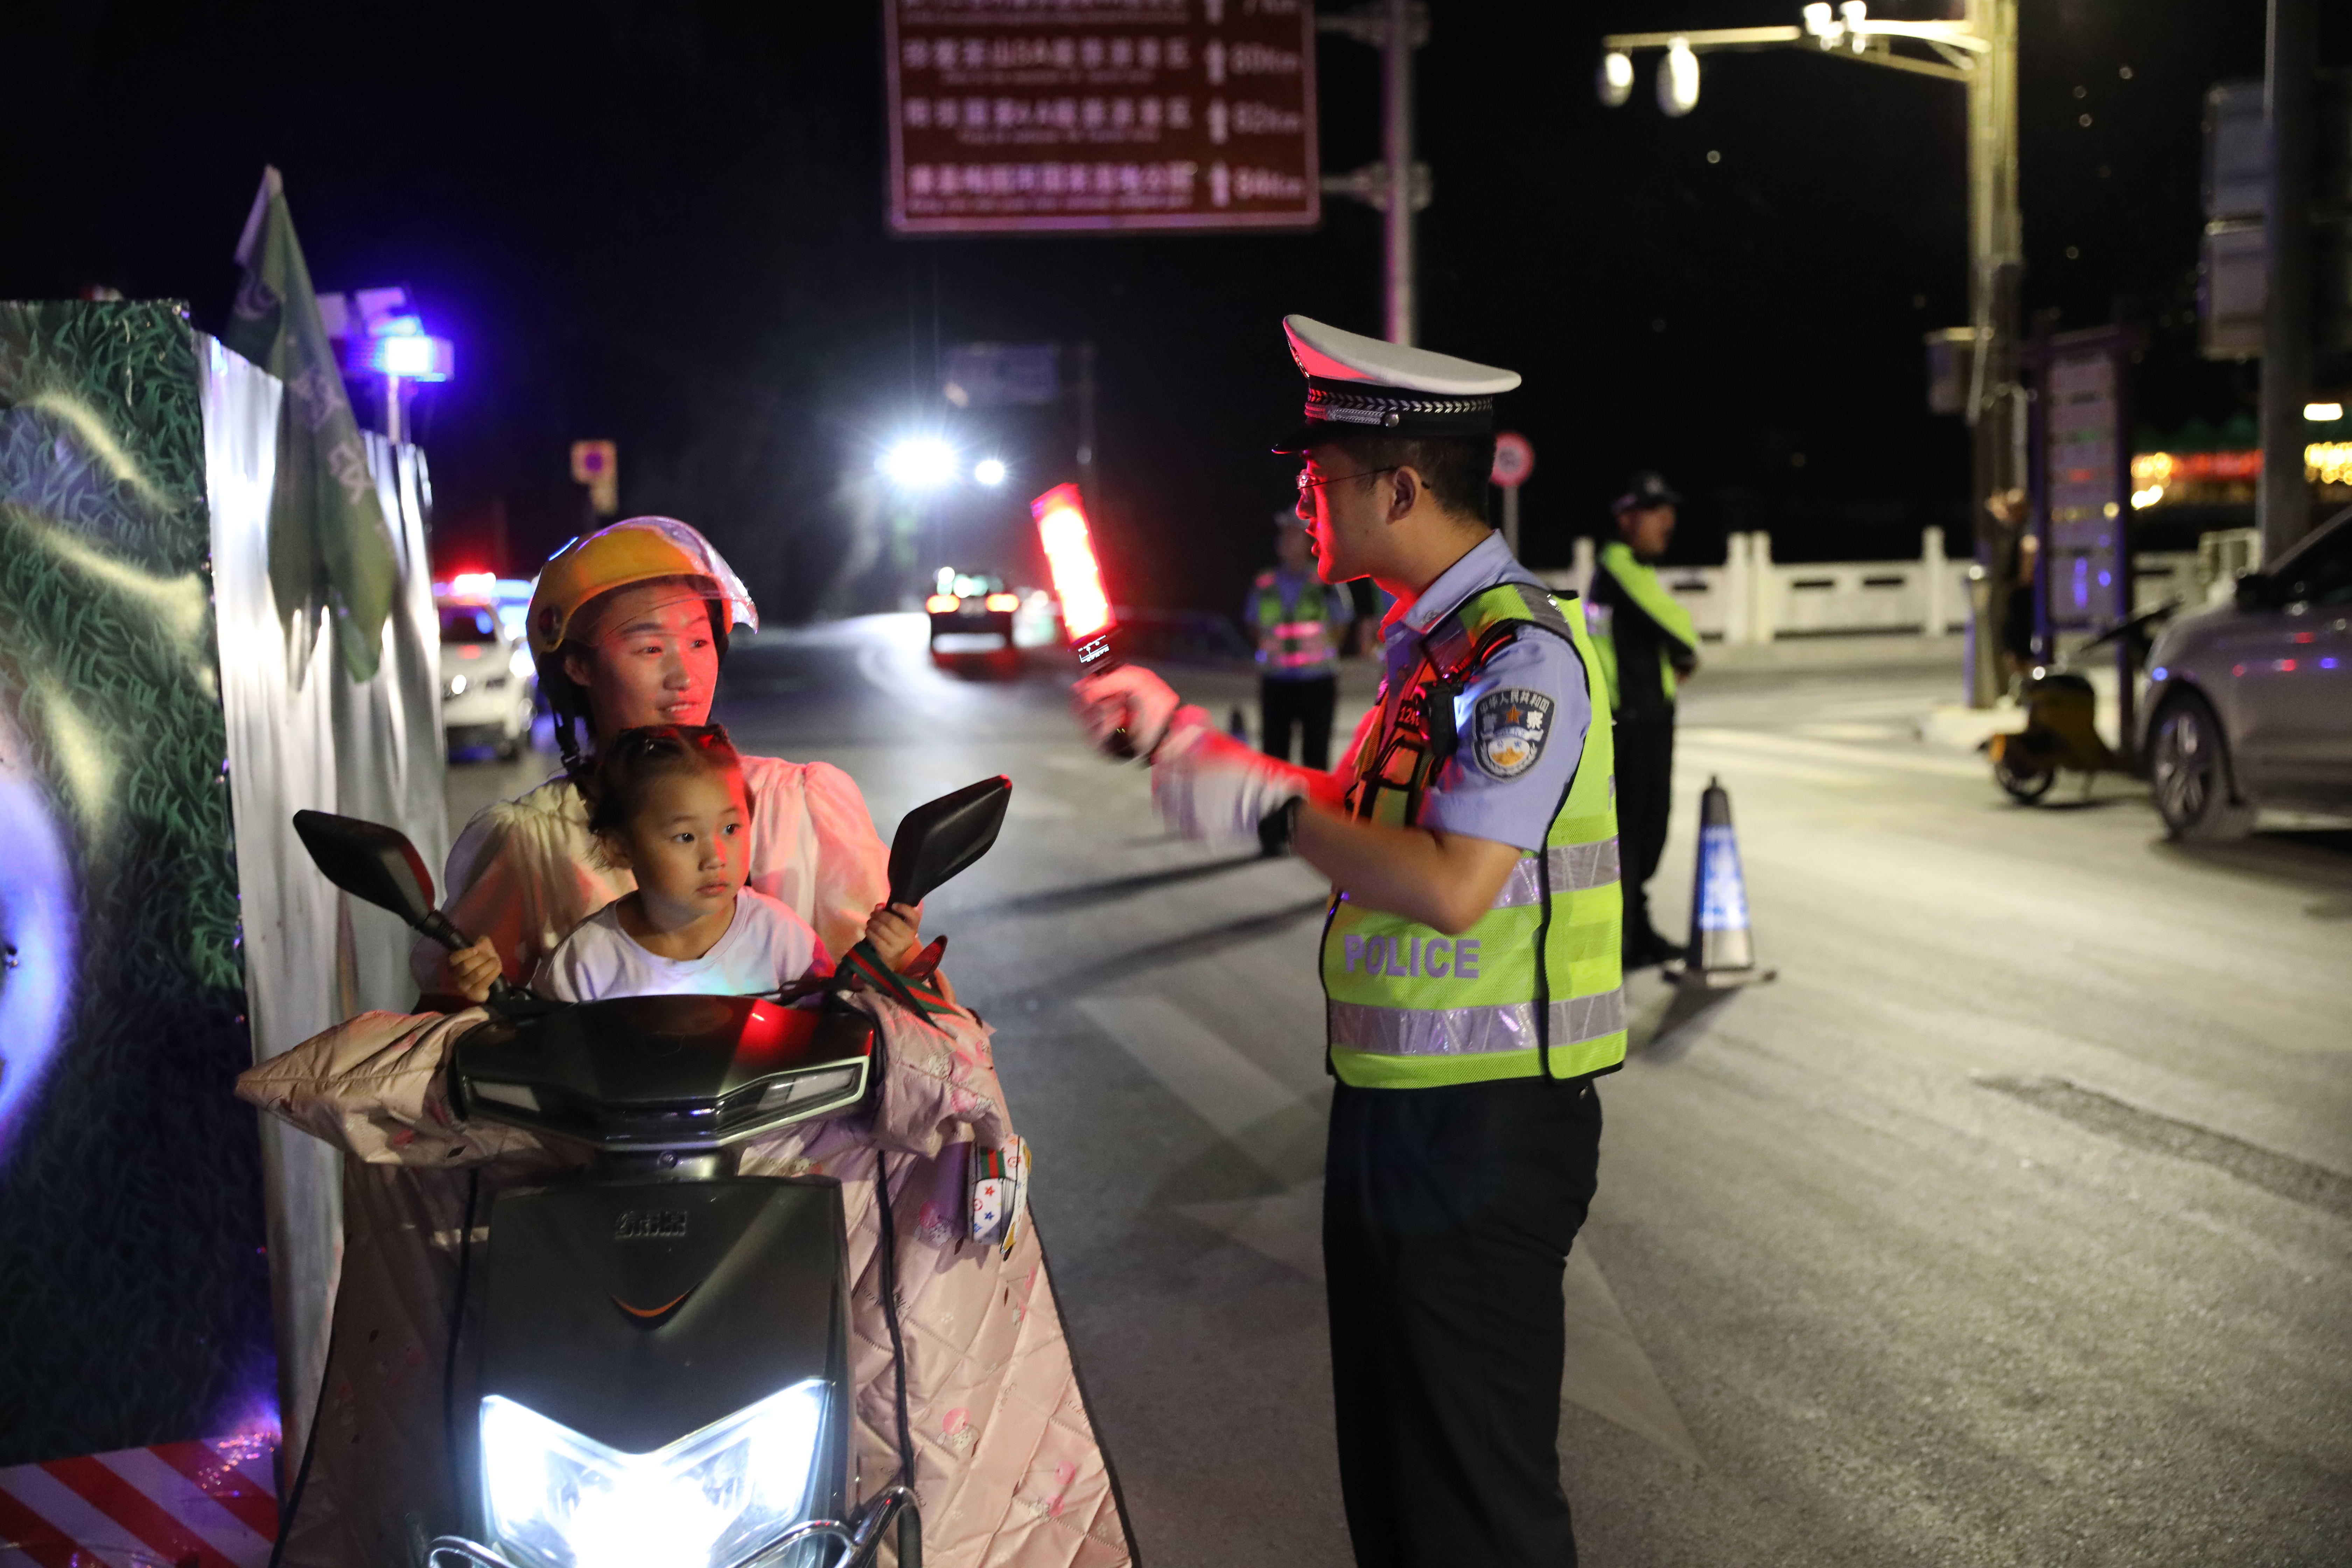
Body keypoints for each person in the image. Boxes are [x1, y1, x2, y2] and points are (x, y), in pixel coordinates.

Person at [248, 518, 1135, 1568]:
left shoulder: (807, 805)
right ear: (576, 663)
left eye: (699, 639)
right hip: (585, 1224)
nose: (682, 669)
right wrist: (469, 1003)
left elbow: (894, 1005)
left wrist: (903, 980)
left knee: (900, 1440)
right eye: (646, 643)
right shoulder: (526, 841)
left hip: (801, 1216)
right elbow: (460, 1043)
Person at [1075, 315, 1624, 1568]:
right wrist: (1180, 743)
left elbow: (1450, 884)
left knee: (1471, 1513)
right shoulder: (1429, 655)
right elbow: (1363, 813)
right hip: (1399, 1114)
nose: (1299, 497)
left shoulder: (1515, 654)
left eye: (1316, 476)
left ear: (1396, 483)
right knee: (1400, 1499)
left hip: (1481, 1131)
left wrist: (1261, 808)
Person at [446, 724, 924, 1004]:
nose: (715, 857)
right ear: (619, 849)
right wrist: (488, 996)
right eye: (686, 837)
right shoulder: (586, 959)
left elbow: (832, 1027)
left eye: (732, 830)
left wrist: (886, 962)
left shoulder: (782, 938)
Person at [1586, 472, 1699, 971]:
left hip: (1646, 716)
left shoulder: (1632, 568)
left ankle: (1638, 928)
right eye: (1655, 510)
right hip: (1630, 721)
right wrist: (1689, 649)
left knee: (1647, 828)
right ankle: (1626, 937)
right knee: (1633, 830)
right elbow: (1675, 625)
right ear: (1626, 518)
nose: (1667, 521)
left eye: (1668, 509)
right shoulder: (1619, 565)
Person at [1247, 510, 1355, 771]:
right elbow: (1252, 622)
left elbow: (1342, 624)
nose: (1286, 540)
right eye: (1283, 534)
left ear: (1309, 541)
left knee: (1316, 758)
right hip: (1276, 681)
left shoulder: (1326, 580)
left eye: (1293, 534)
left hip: (1317, 682)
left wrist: (1322, 652)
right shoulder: (1265, 582)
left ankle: (1314, 810)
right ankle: (1278, 811)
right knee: (1274, 758)